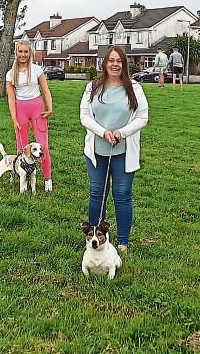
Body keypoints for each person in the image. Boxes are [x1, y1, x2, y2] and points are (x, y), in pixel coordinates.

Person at [80, 45, 149, 252]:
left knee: (123, 193)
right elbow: (84, 116)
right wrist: (103, 132)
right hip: (97, 151)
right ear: (105, 63)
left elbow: (142, 118)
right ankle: (94, 239)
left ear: (124, 64)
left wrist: (121, 133)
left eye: (119, 61)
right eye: (111, 60)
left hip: (124, 151)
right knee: (97, 192)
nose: (115, 65)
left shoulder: (134, 88)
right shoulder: (93, 87)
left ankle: (122, 242)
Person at [6, 39, 54, 191]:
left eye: (26, 52)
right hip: (21, 110)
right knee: (22, 148)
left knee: (43, 146)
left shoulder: (37, 70)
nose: (23, 54)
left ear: (30, 53)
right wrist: (14, 119)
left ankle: (47, 179)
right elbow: (11, 98)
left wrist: (50, 108)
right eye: (20, 51)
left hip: (37, 109)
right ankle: (21, 176)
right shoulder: (10, 74)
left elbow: (45, 91)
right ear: (16, 53)